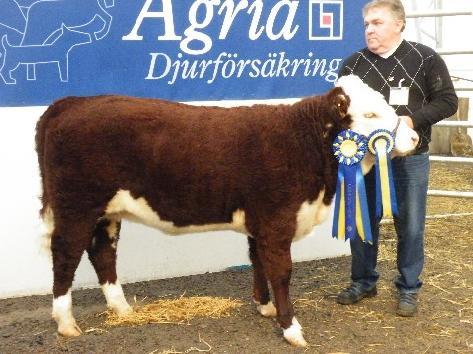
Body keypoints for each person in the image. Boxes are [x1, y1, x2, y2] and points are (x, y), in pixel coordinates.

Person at [336, 0, 458, 316]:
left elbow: (447, 101)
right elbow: (340, 113)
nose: (369, 30)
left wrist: (411, 122)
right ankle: (363, 281)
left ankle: (408, 288)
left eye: (377, 23)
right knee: (363, 222)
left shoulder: (426, 58)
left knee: (412, 225)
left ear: (399, 24)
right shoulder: (352, 66)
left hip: (410, 158)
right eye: (366, 24)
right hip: (363, 161)